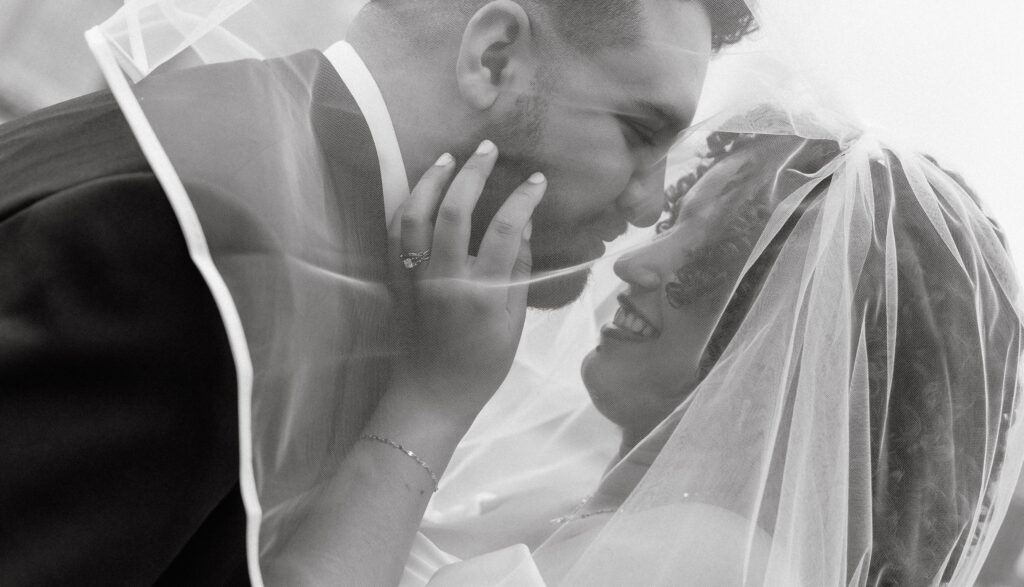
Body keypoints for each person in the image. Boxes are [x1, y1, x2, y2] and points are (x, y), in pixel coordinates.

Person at [0, 0, 754, 584]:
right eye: (639, 132)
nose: (648, 199)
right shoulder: (197, 257)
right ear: (493, 56)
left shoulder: (226, 147)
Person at [381, 112, 1023, 585]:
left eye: (712, 250)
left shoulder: (698, 557)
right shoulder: (599, 509)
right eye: (675, 220)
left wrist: (433, 398)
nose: (635, 261)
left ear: (790, 335)